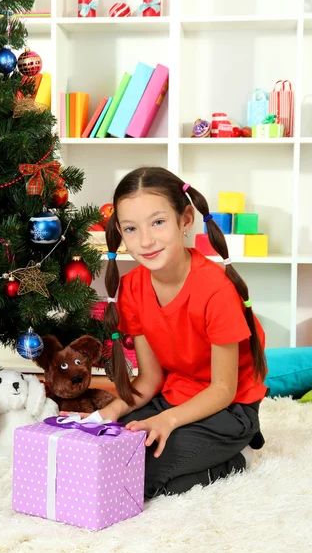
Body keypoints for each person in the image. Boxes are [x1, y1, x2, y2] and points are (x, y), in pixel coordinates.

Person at [64, 166, 268, 499]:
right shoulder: (131, 288)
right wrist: (108, 413)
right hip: (176, 394)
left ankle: (235, 458)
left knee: (140, 474)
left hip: (229, 408)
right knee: (105, 455)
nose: (145, 241)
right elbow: (150, 379)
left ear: (185, 219)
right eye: (131, 229)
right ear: (119, 231)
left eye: (158, 222)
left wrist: (168, 421)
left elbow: (223, 389)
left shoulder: (216, 292)